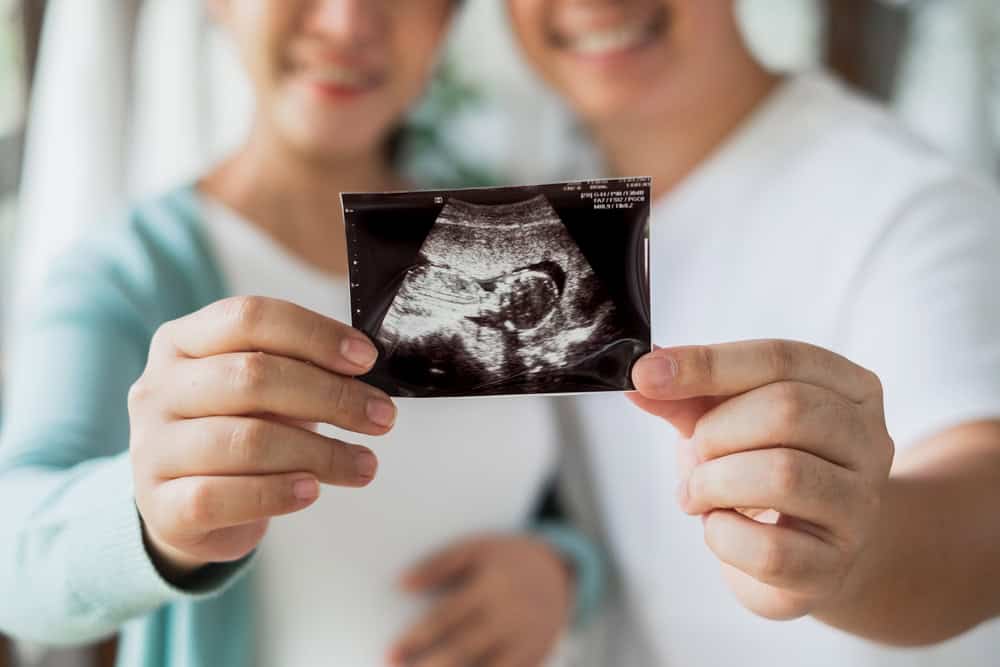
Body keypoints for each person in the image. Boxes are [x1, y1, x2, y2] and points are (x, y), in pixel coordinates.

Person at [0, 3, 601, 666]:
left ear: (445, 19)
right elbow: (12, 561)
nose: (347, 23)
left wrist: (563, 571)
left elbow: (574, 502)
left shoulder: (516, 244)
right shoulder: (128, 274)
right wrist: (152, 513)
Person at [507, 0, 1000, 665]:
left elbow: (985, 503)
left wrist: (853, 551)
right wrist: (561, 564)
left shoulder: (915, 207)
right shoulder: (535, 198)